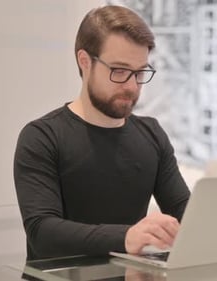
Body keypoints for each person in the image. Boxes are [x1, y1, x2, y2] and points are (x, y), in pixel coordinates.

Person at [13, 5, 190, 260]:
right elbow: (42, 232)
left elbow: (185, 213)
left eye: (140, 72)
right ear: (85, 61)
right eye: (119, 71)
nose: (131, 86)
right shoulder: (42, 137)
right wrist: (126, 237)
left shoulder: (151, 134)